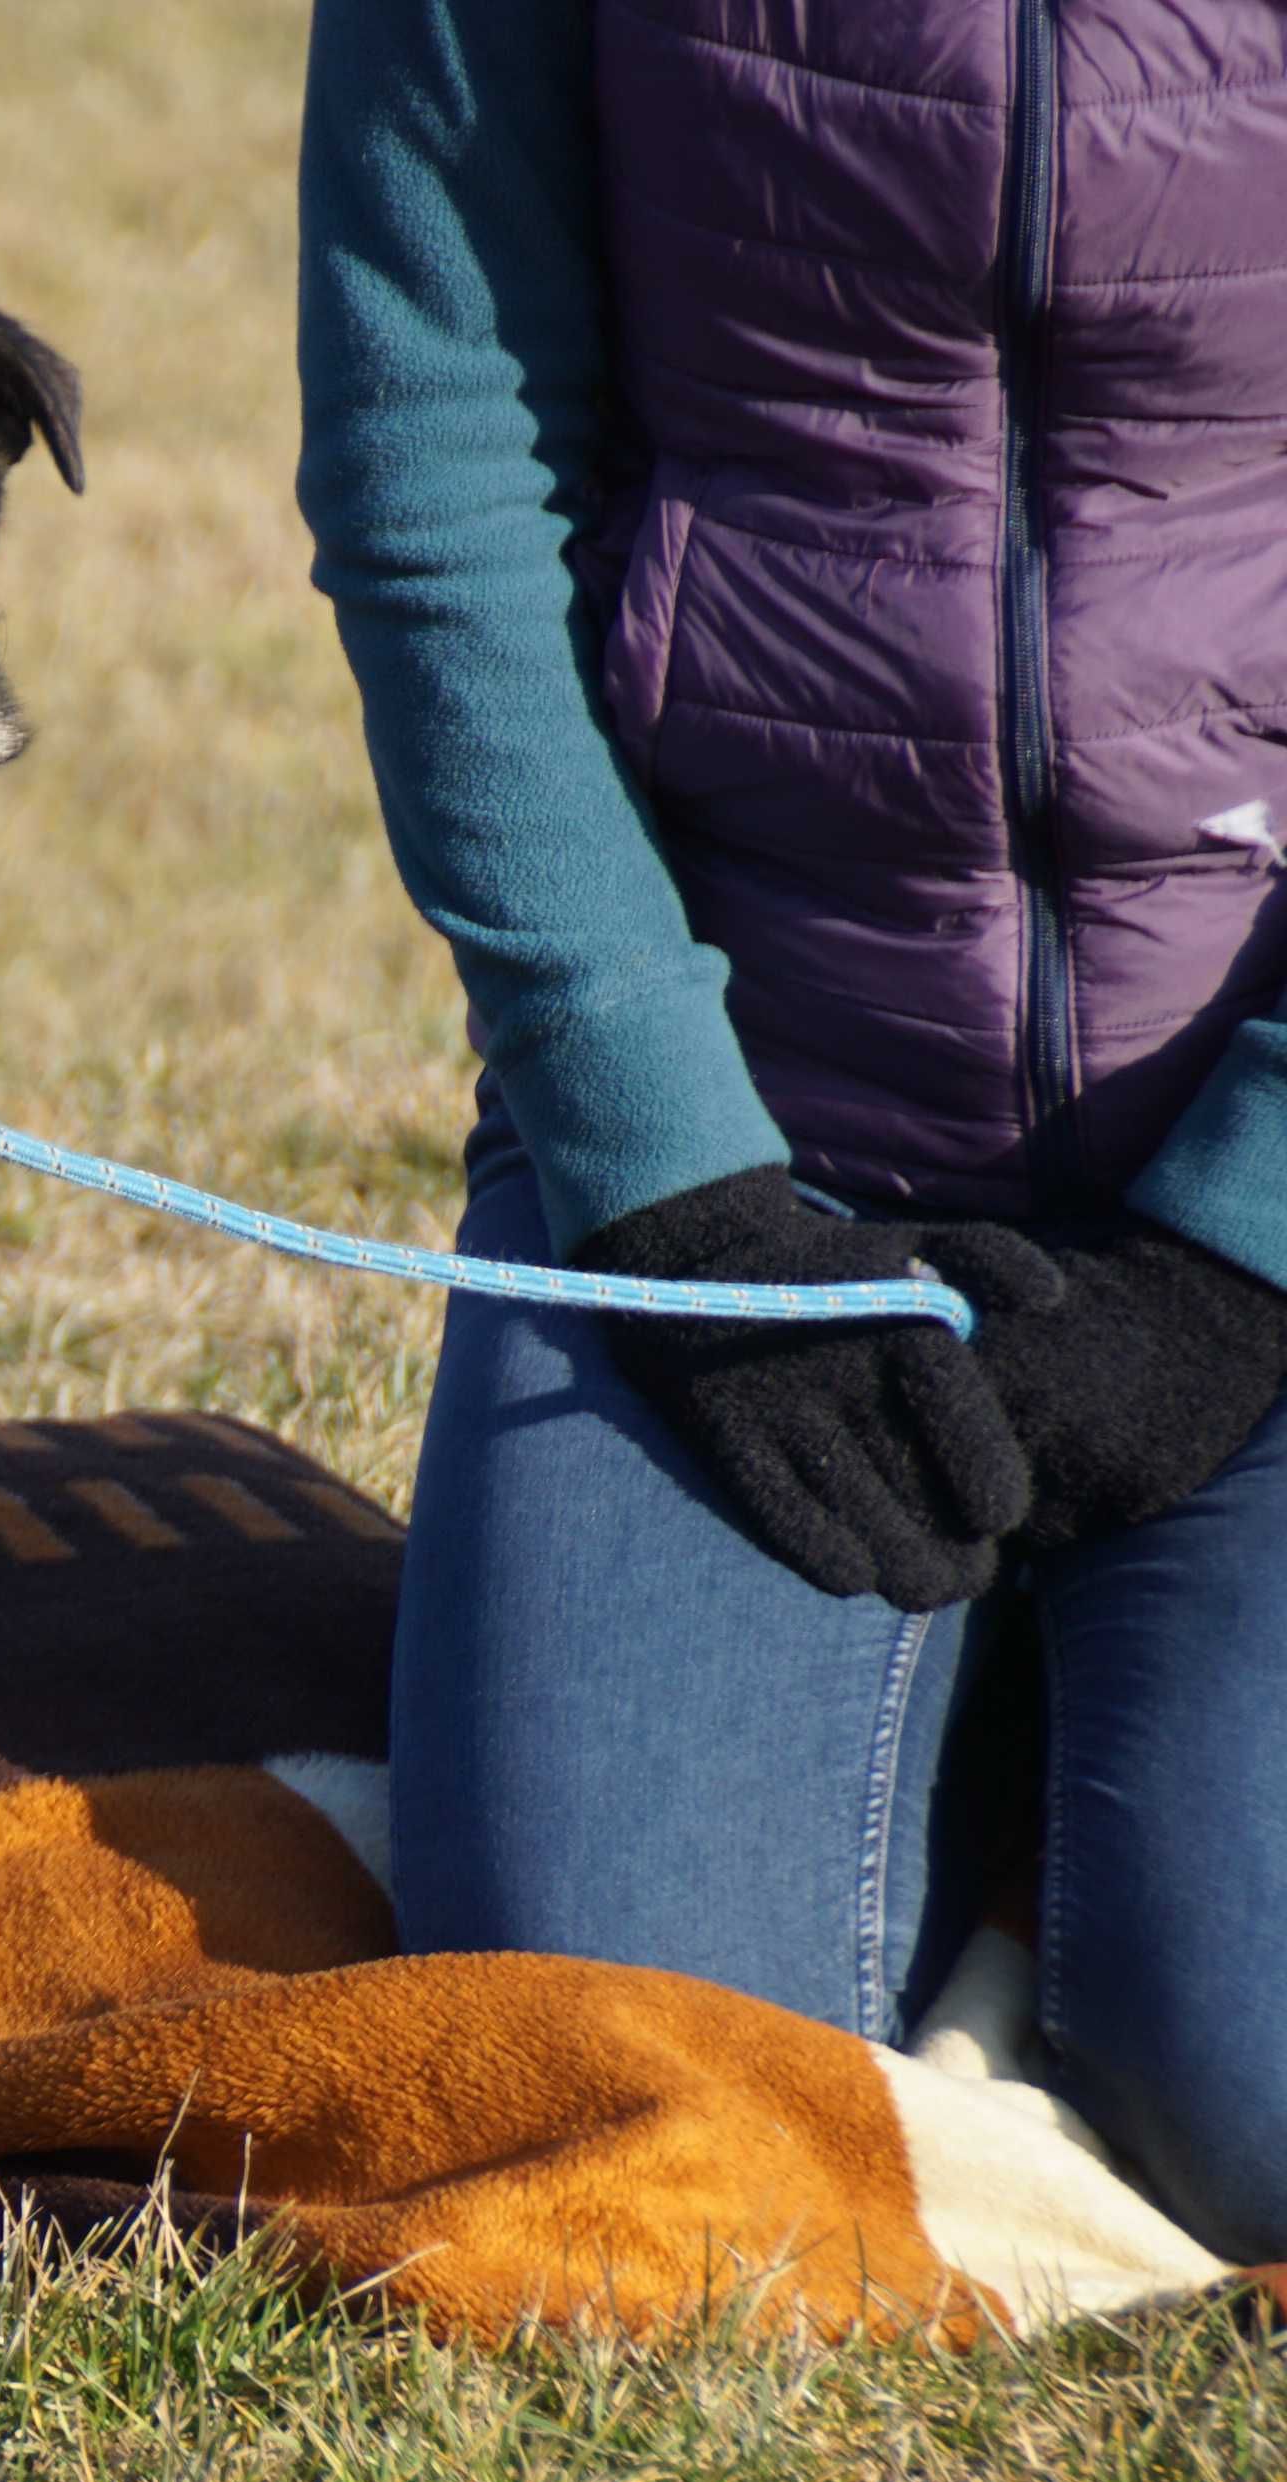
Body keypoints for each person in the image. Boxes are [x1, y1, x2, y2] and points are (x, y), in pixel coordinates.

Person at [297, 0, 1287, 2261]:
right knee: (628, 2090)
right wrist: (677, 1197)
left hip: (1249, 1148)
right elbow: (434, 452)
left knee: (1254, 2111)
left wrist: (1236, 1254)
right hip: (750, 1134)